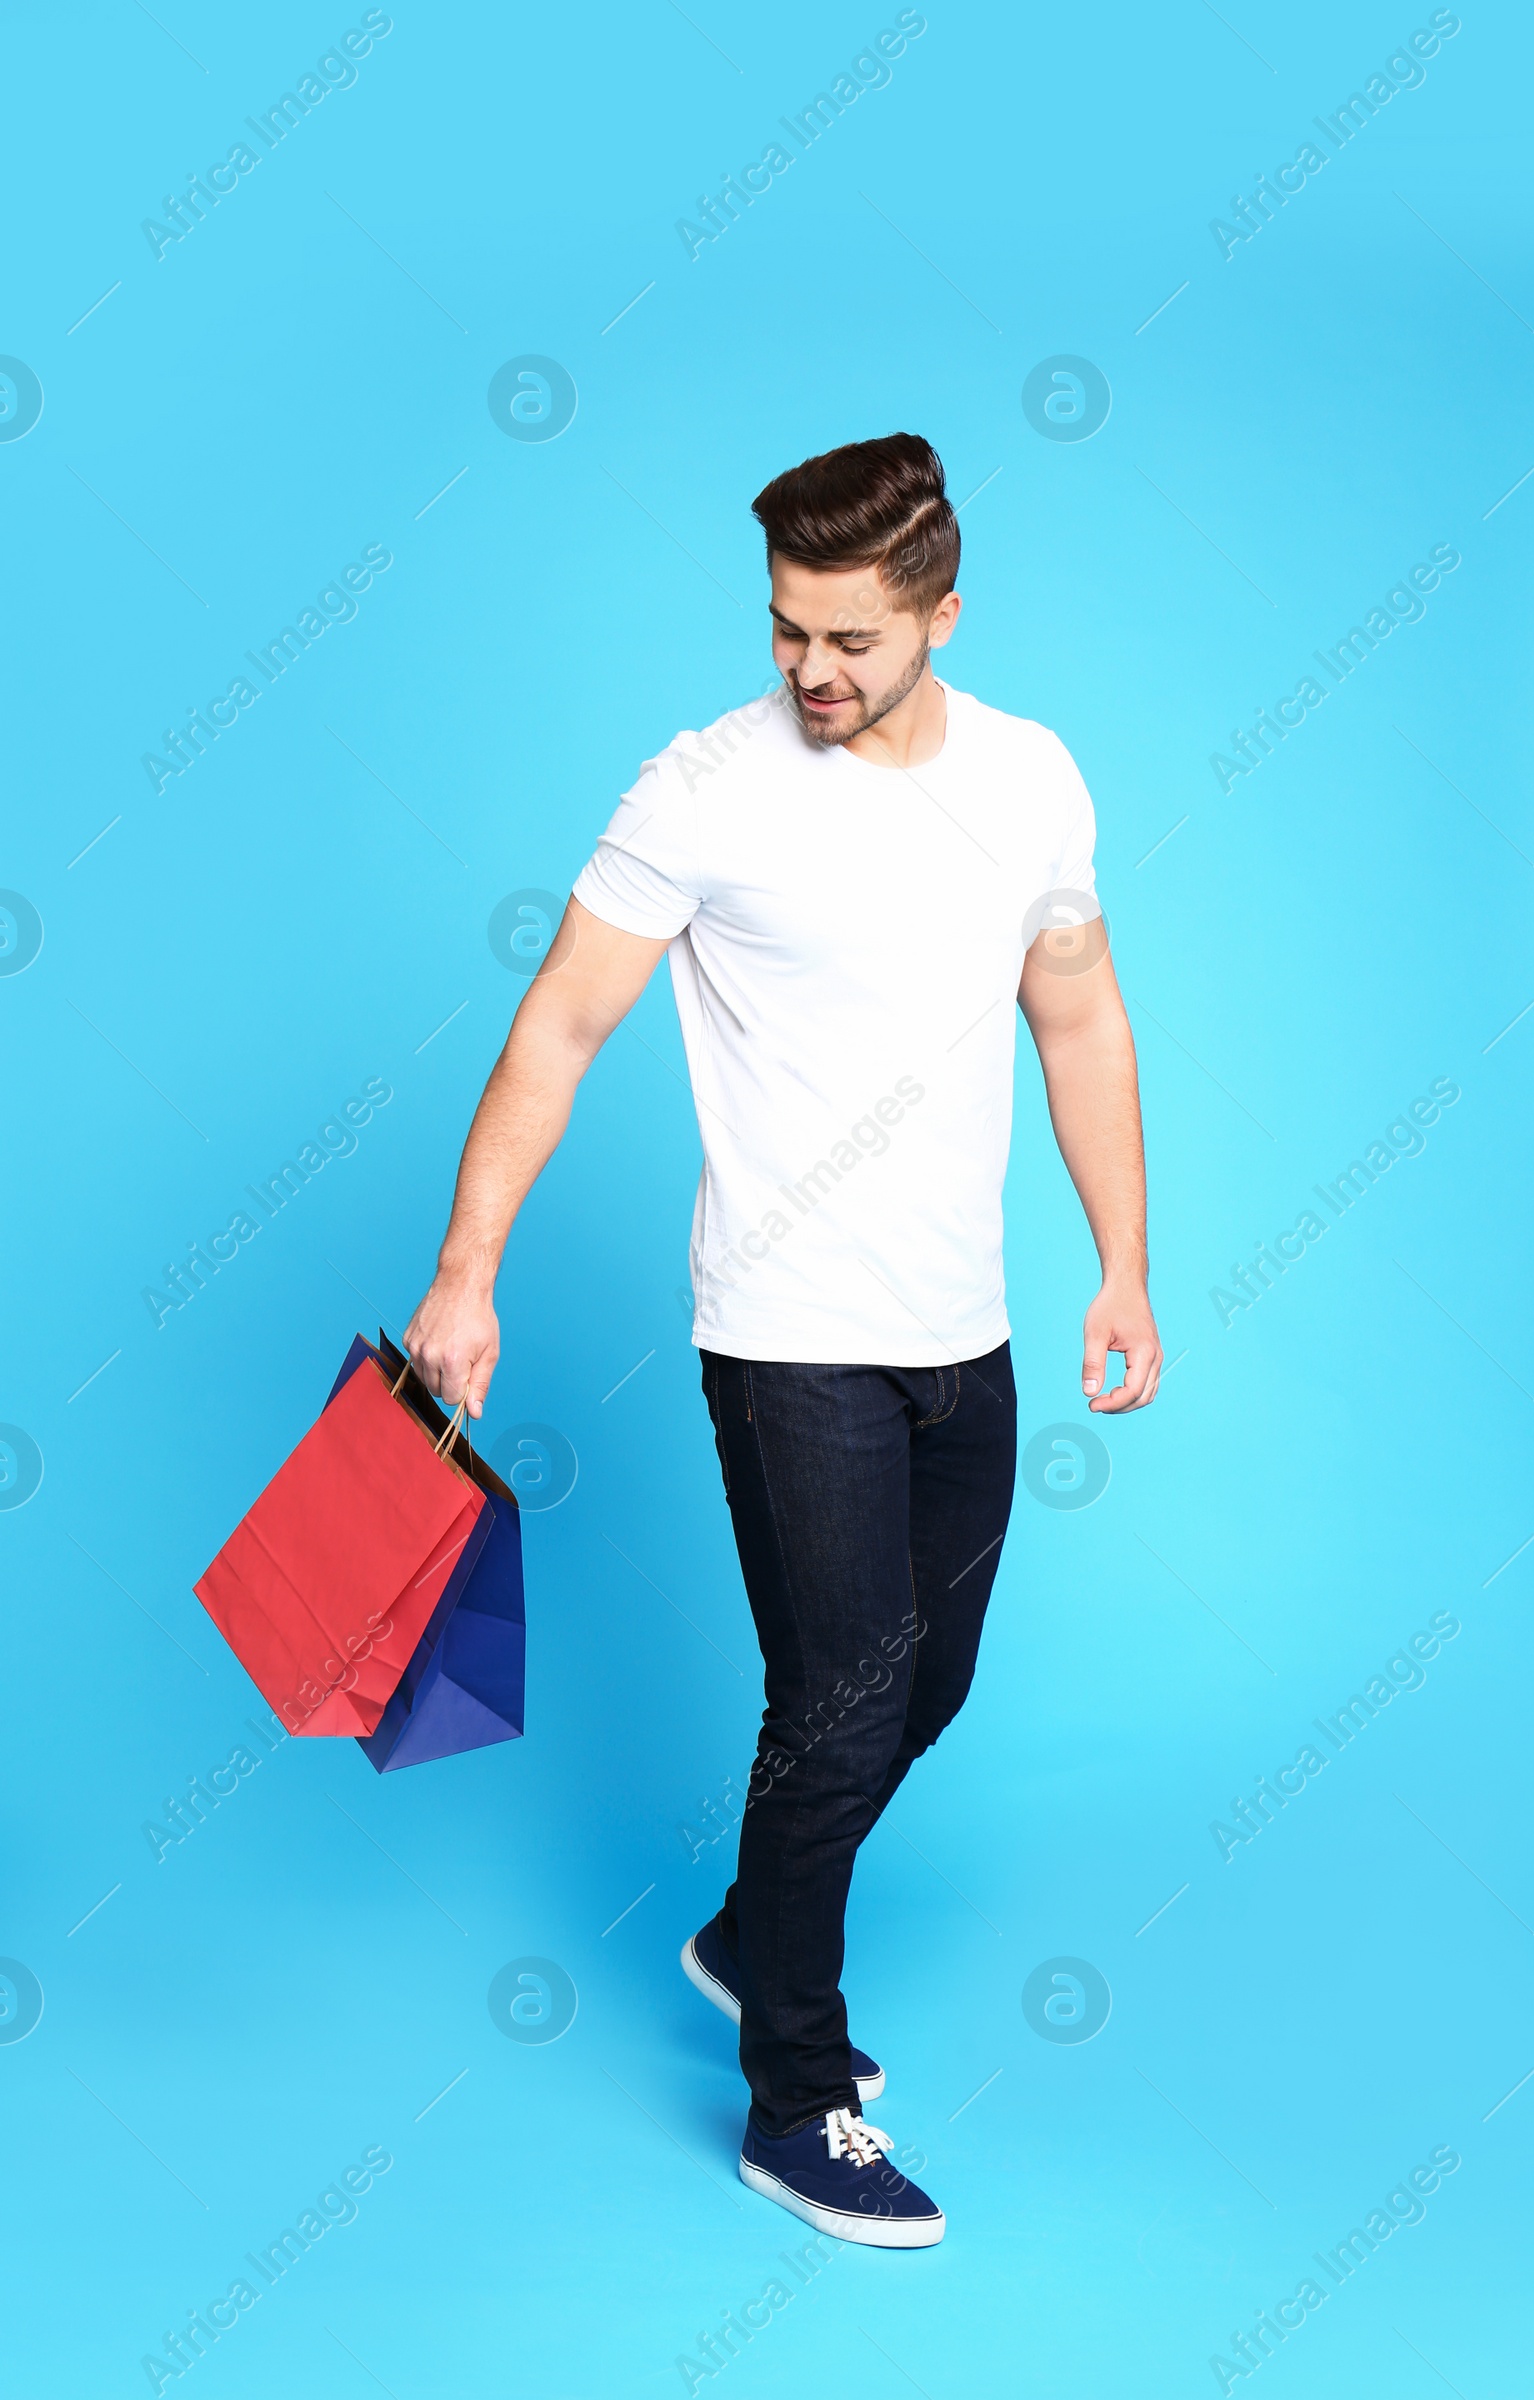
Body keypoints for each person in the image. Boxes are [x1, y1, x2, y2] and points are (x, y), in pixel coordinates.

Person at [405, 432, 1161, 2247]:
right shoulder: (705, 789)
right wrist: (467, 1271)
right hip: (787, 1330)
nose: (810, 672)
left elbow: (1080, 1018)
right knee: (834, 1708)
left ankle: (752, 1931)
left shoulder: (1035, 781)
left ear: (941, 613)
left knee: (930, 1684)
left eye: (849, 638)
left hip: (956, 1328)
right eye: (783, 634)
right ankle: (793, 2097)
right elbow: (559, 1030)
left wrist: (1124, 1265)